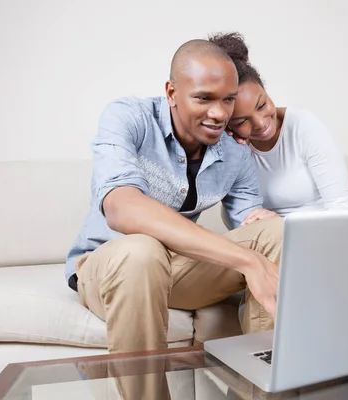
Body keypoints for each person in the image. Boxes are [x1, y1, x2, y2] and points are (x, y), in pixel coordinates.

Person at [209, 32, 348, 400]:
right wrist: (267, 229)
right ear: (228, 123)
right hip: (271, 254)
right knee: (271, 289)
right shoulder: (230, 151)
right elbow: (240, 224)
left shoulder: (303, 126)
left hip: (329, 243)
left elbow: (342, 208)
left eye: (263, 104)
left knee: (332, 297)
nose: (260, 123)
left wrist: (281, 225)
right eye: (242, 121)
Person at [65, 38, 282, 399]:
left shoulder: (233, 150)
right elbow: (122, 207)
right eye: (204, 98)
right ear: (172, 92)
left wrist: (260, 224)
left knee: (275, 233)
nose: (219, 113)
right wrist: (248, 260)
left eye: (227, 100)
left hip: (177, 269)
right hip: (111, 267)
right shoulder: (129, 117)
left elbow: (251, 224)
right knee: (141, 251)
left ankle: (263, 393)